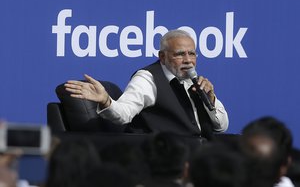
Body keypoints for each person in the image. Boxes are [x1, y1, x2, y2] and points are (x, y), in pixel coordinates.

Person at [64, 29, 228, 139]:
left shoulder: (195, 81)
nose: (188, 60)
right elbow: (123, 113)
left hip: (199, 154)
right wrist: (106, 100)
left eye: (192, 54)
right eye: (180, 54)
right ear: (162, 57)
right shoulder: (148, 79)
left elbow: (222, 127)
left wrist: (211, 100)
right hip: (164, 160)